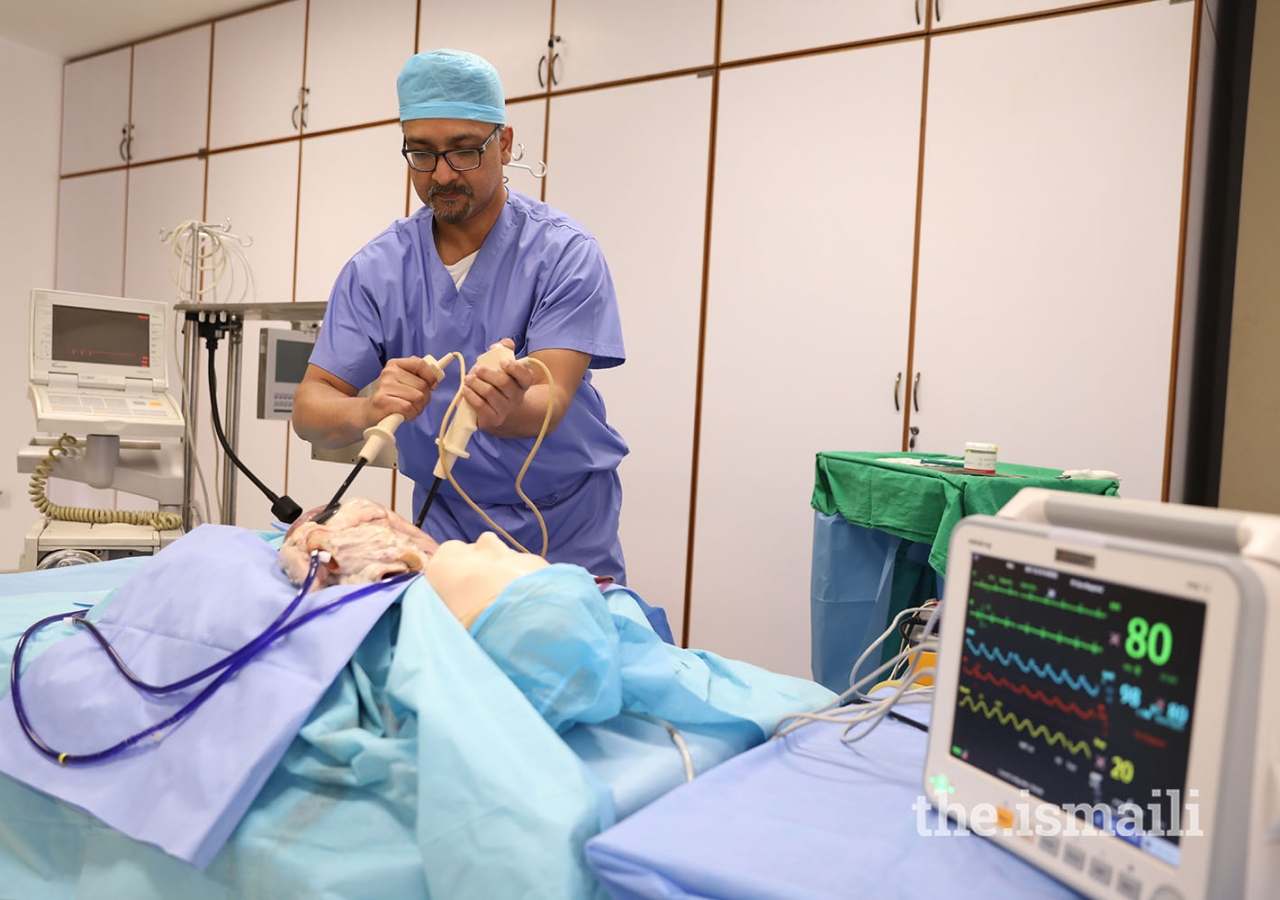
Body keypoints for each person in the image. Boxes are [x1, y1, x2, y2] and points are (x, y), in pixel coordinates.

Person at [292, 48, 630, 583]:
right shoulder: (377, 270)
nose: (442, 174)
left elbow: (552, 401)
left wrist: (507, 406)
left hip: (564, 521)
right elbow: (310, 408)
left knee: (563, 653)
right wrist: (367, 409)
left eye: (464, 151)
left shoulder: (563, 253)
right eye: (421, 153)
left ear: (505, 143)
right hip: (442, 520)